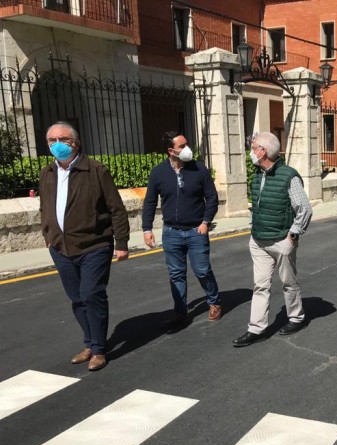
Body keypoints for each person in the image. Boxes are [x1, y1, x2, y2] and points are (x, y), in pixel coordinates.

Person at [39, 121, 130, 371]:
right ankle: (90, 342)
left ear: (75, 142)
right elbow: (44, 207)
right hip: (60, 248)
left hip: (95, 245)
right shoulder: (47, 173)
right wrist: (48, 234)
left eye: (63, 139)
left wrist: (121, 242)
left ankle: (99, 350)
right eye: (52, 141)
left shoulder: (95, 170)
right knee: (77, 299)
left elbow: (116, 209)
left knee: (92, 294)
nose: (57, 145)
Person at [232, 132, 313, 347]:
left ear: (263, 151)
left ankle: (296, 318)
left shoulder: (289, 176)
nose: (251, 151)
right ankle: (256, 328)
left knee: (288, 282)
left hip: (281, 240)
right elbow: (257, 204)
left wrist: (293, 235)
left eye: (253, 147)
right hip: (258, 240)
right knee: (260, 286)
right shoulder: (258, 173)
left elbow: (304, 209)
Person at [142, 131, 222, 327]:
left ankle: (214, 302)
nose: (187, 149)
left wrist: (205, 222)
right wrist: (146, 228)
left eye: (187, 144)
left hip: (196, 231)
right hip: (171, 233)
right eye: (182, 146)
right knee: (176, 274)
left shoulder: (199, 170)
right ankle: (181, 312)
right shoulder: (158, 172)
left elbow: (212, 198)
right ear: (171, 151)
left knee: (202, 270)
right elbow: (150, 202)